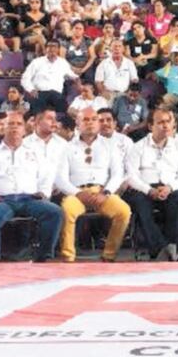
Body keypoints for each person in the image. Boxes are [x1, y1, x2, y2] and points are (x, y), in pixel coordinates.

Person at [0, 111, 63, 263]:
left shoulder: (34, 152)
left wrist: (44, 192)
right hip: (2, 200)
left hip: (30, 199)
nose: (14, 128)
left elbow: (47, 175)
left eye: (19, 124)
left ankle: (44, 257)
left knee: (54, 212)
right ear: (3, 128)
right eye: (10, 124)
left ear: (25, 130)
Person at [55, 107, 131, 263]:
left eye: (93, 119)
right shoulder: (66, 147)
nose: (90, 123)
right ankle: (68, 257)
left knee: (124, 211)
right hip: (77, 193)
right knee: (67, 210)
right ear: (77, 123)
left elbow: (117, 173)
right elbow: (60, 179)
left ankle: (109, 255)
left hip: (102, 192)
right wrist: (78, 193)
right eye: (85, 120)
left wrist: (107, 192)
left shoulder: (110, 146)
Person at [124, 107, 178, 261]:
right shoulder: (138, 147)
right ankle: (161, 248)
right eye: (160, 122)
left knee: (174, 204)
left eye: (168, 122)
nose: (165, 126)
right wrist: (149, 190)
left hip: (169, 187)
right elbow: (131, 176)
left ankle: (170, 246)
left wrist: (170, 188)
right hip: (144, 188)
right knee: (142, 207)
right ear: (151, 126)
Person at [20, 40, 78, 113]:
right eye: (49, 46)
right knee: (37, 107)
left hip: (56, 94)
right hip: (40, 93)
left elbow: (72, 76)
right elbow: (25, 78)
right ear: (46, 49)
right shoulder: (37, 62)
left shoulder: (63, 62)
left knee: (63, 106)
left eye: (54, 46)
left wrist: (77, 80)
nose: (51, 49)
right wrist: (31, 89)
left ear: (58, 49)